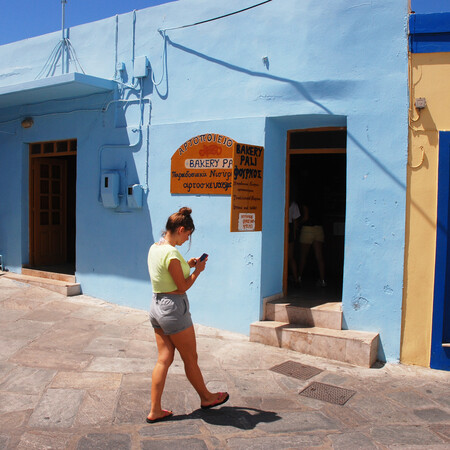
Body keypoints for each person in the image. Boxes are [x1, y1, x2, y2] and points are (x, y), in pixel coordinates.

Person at [146, 207, 229, 423]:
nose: (187, 239)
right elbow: (182, 287)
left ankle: (155, 410)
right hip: (173, 309)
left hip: (156, 306)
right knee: (190, 358)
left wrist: (188, 264)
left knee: (163, 359)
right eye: (188, 234)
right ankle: (207, 397)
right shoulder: (172, 253)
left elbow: (166, 273)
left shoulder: (155, 248)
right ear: (181, 229)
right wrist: (197, 271)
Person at [298, 197, 327, 287]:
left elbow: (306, 217)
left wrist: (298, 223)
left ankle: (298, 277)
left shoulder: (306, 201)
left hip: (307, 229)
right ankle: (322, 280)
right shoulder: (321, 201)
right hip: (319, 229)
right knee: (319, 257)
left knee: (303, 256)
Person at [288, 198, 301, 285]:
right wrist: (295, 234)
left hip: (281, 227)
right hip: (289, 228)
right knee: (290, 256)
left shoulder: (280, 201)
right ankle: (296, 279)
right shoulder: (293, 205)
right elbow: (295, 221)